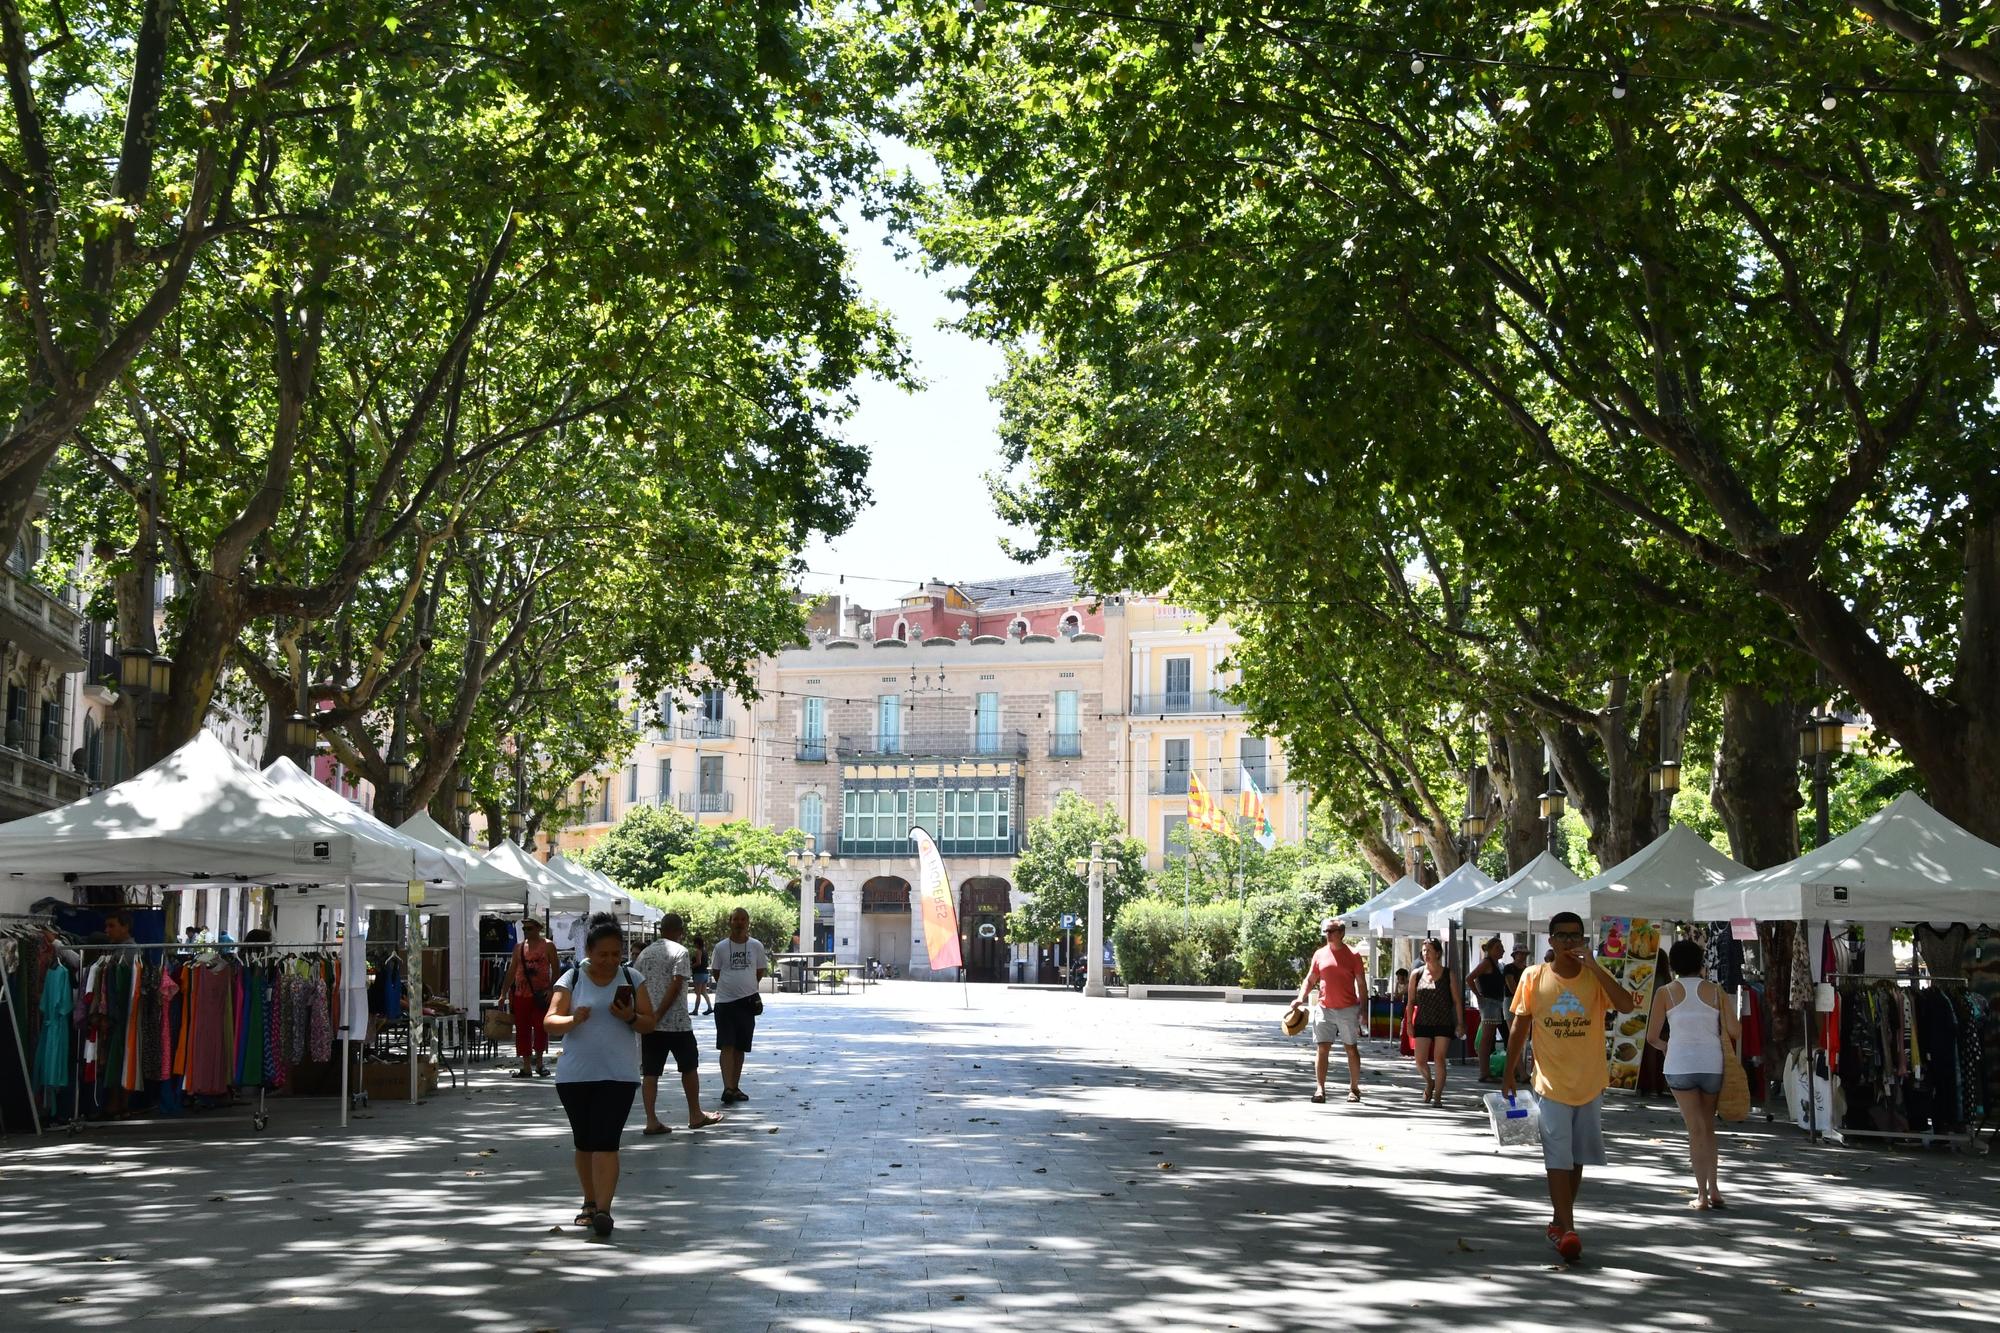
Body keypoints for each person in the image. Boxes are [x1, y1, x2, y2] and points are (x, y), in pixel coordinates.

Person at [1503, 910, 1638, 1263]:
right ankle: (1568, 1227)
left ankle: (1558, 1222)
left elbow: (1626, 1004)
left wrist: (1594, 966)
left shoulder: (1595, 978)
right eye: (1561, 936)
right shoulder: (1534, 976)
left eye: (1574, 936)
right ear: (1549, 941)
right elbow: (1520, 1026)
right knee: (1557, 1157)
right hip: (1549, 1084)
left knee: (1576, 1158)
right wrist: (1510, 1071)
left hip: (1590, 1083)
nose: (1568, 942)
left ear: (1583, 940)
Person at [544, 913, 658, 1239]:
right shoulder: (572, 978)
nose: (609, 960)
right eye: (602, 954)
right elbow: (550, 1022)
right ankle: (589, 1201)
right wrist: (573, 1020)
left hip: (619, 1075)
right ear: (589, 952)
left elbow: (649, 1023)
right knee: (584, 1142)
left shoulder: (632, 977)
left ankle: (604, 1211)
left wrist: (630, 1016)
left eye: (615, 953)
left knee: (607, 1141)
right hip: (575, 1076)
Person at [1646, 938, 1740, 1210]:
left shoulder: (1665, 992)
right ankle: (1715, 1189)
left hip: (1679, 1064)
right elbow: (1735, 1031)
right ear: (1701, 962)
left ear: (1673, 964)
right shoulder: (1716, 991)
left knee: (1695, 1129)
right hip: (1712, 1063)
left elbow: (1652, 1037)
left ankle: (1700, 1194)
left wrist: (1668, 1047)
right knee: (1708, 1127)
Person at [634, 913, 723, 1135]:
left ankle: (651, 1120)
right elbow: (676, 985)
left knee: (651, 1073)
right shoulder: (680, 951)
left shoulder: (644, 954)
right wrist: (660, 1013)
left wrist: (648, 1016)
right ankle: (695, 1114)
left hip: (651, 1025)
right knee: (689, 1067)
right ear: (680, 931)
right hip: (677, 1022)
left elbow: (635, 984)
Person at [1290, 918, 1367, 1103]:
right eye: (1326, 931)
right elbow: (1310, 979)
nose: (1328, 934)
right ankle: (1320, 1089)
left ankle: (1354, 1089)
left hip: (1348, 1009)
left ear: (1341, 933)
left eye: (1331, 931)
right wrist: (1301, 997)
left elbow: (1361, 984)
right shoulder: (1319, 954)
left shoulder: (1353, 955)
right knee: (1322, 1048)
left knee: (1351, 1049)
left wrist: (1363, 1010)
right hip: (1324, 1008)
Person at [711, 907, 768, 1103]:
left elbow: (759, 971)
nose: (739, 923)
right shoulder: (720, 947)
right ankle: (727, 1087)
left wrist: (747, 987)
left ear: (748, 922)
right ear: (730, 922)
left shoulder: (756, 946)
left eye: (743, 919)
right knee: (727, 1045)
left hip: (747, 1003)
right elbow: (716, 973)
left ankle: (735, 1086)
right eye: (736, 919)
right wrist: (731, 986)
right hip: (725, 1003)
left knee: (741, 1047)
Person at [501, 919, 560, 1079]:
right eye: (524, 928)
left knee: (541, 1028)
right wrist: (503, 993)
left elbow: (556, 970)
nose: (526, 931)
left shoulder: (548, 946)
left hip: (541, 995)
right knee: (522, 1030)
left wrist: (551, 990)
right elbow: (512, 971)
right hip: (521, 995)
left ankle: (540, 1063)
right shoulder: (519, 947)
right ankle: (526, 1066)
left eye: (530, 928)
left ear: (539, 928)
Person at [1407, 938, 1463, 1106]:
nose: (1426, 954)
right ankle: (1429, 1082)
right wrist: (1409, 1023)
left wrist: (1461, 1022)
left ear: (1438, 953)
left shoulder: (1448, 974)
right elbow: (1410, 1002)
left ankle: (1438, 1095)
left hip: (1443, 1021)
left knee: (1439, 1058)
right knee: (1420, 1060)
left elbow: (1457, 1000)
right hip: (1423, 1020)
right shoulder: (1416, 974)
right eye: (1424, 951)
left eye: (1429, 950)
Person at [1467, 937, 1508, 1084]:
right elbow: (1470, 978)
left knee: (1488, 1038)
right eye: (1498, 947)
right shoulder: (1486, 963)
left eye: (1501, 947)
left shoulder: (1496, 965)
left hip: (1495, 1002)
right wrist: (1478, 995)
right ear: (1490, 950)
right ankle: (1484, 1073)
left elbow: (1476, 980)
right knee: (1486, 1039)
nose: (1501, 950)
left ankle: (1485, 1072)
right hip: (1489, 1003)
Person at [688, 932, 713, 1015]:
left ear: (697, 943)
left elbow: (698, 962)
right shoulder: (705, 951)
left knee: (698, 993)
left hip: (699, 973)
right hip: (705, 973)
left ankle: (695, 1010)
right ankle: (710, 1007)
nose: (693, 945)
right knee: (704, 992)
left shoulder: (698, 951)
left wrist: (691, 966)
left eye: (694, 943)